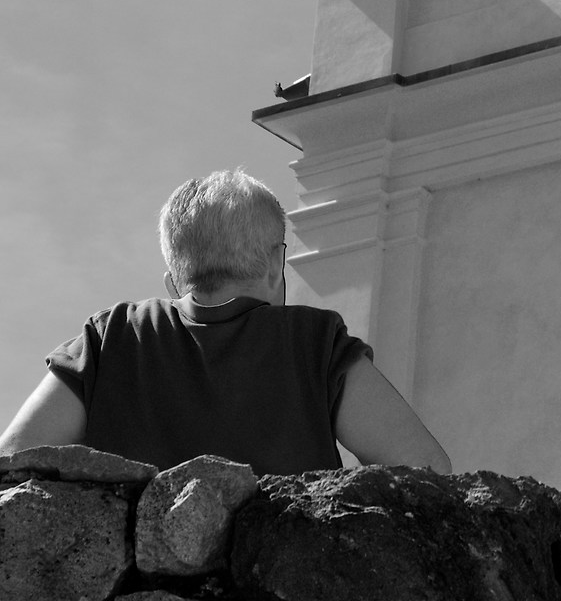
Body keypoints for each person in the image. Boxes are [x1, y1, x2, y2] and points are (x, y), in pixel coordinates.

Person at [0, 169, 452, 474]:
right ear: (276, 268)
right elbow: (424, 465)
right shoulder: (314, 343)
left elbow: (14, 457)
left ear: (173, 281)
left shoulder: (111, 335)